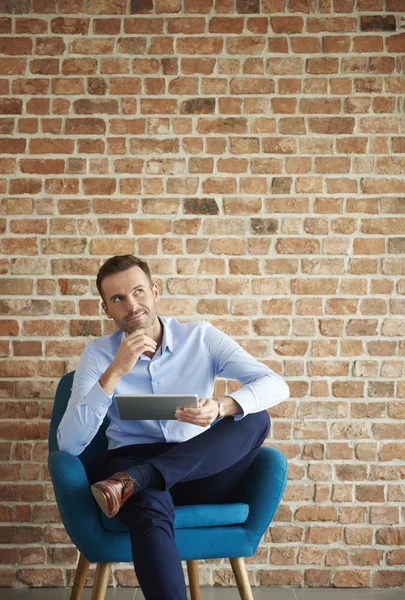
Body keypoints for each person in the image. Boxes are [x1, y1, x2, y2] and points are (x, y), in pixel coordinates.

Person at [57, 254, 290, 600]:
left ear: (155, 291)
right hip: (129, 465)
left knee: (256, 417)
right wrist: (115, 372)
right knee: (149, 507)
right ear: (106, 309)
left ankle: (142, 477)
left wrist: (222, 406)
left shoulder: (202, 337)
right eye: (118, 298)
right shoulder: (98, 355)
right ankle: (140, 479)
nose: (132, 305)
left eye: (138, 292)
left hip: (199, 469)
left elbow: (276, 385)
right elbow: (68, 445)